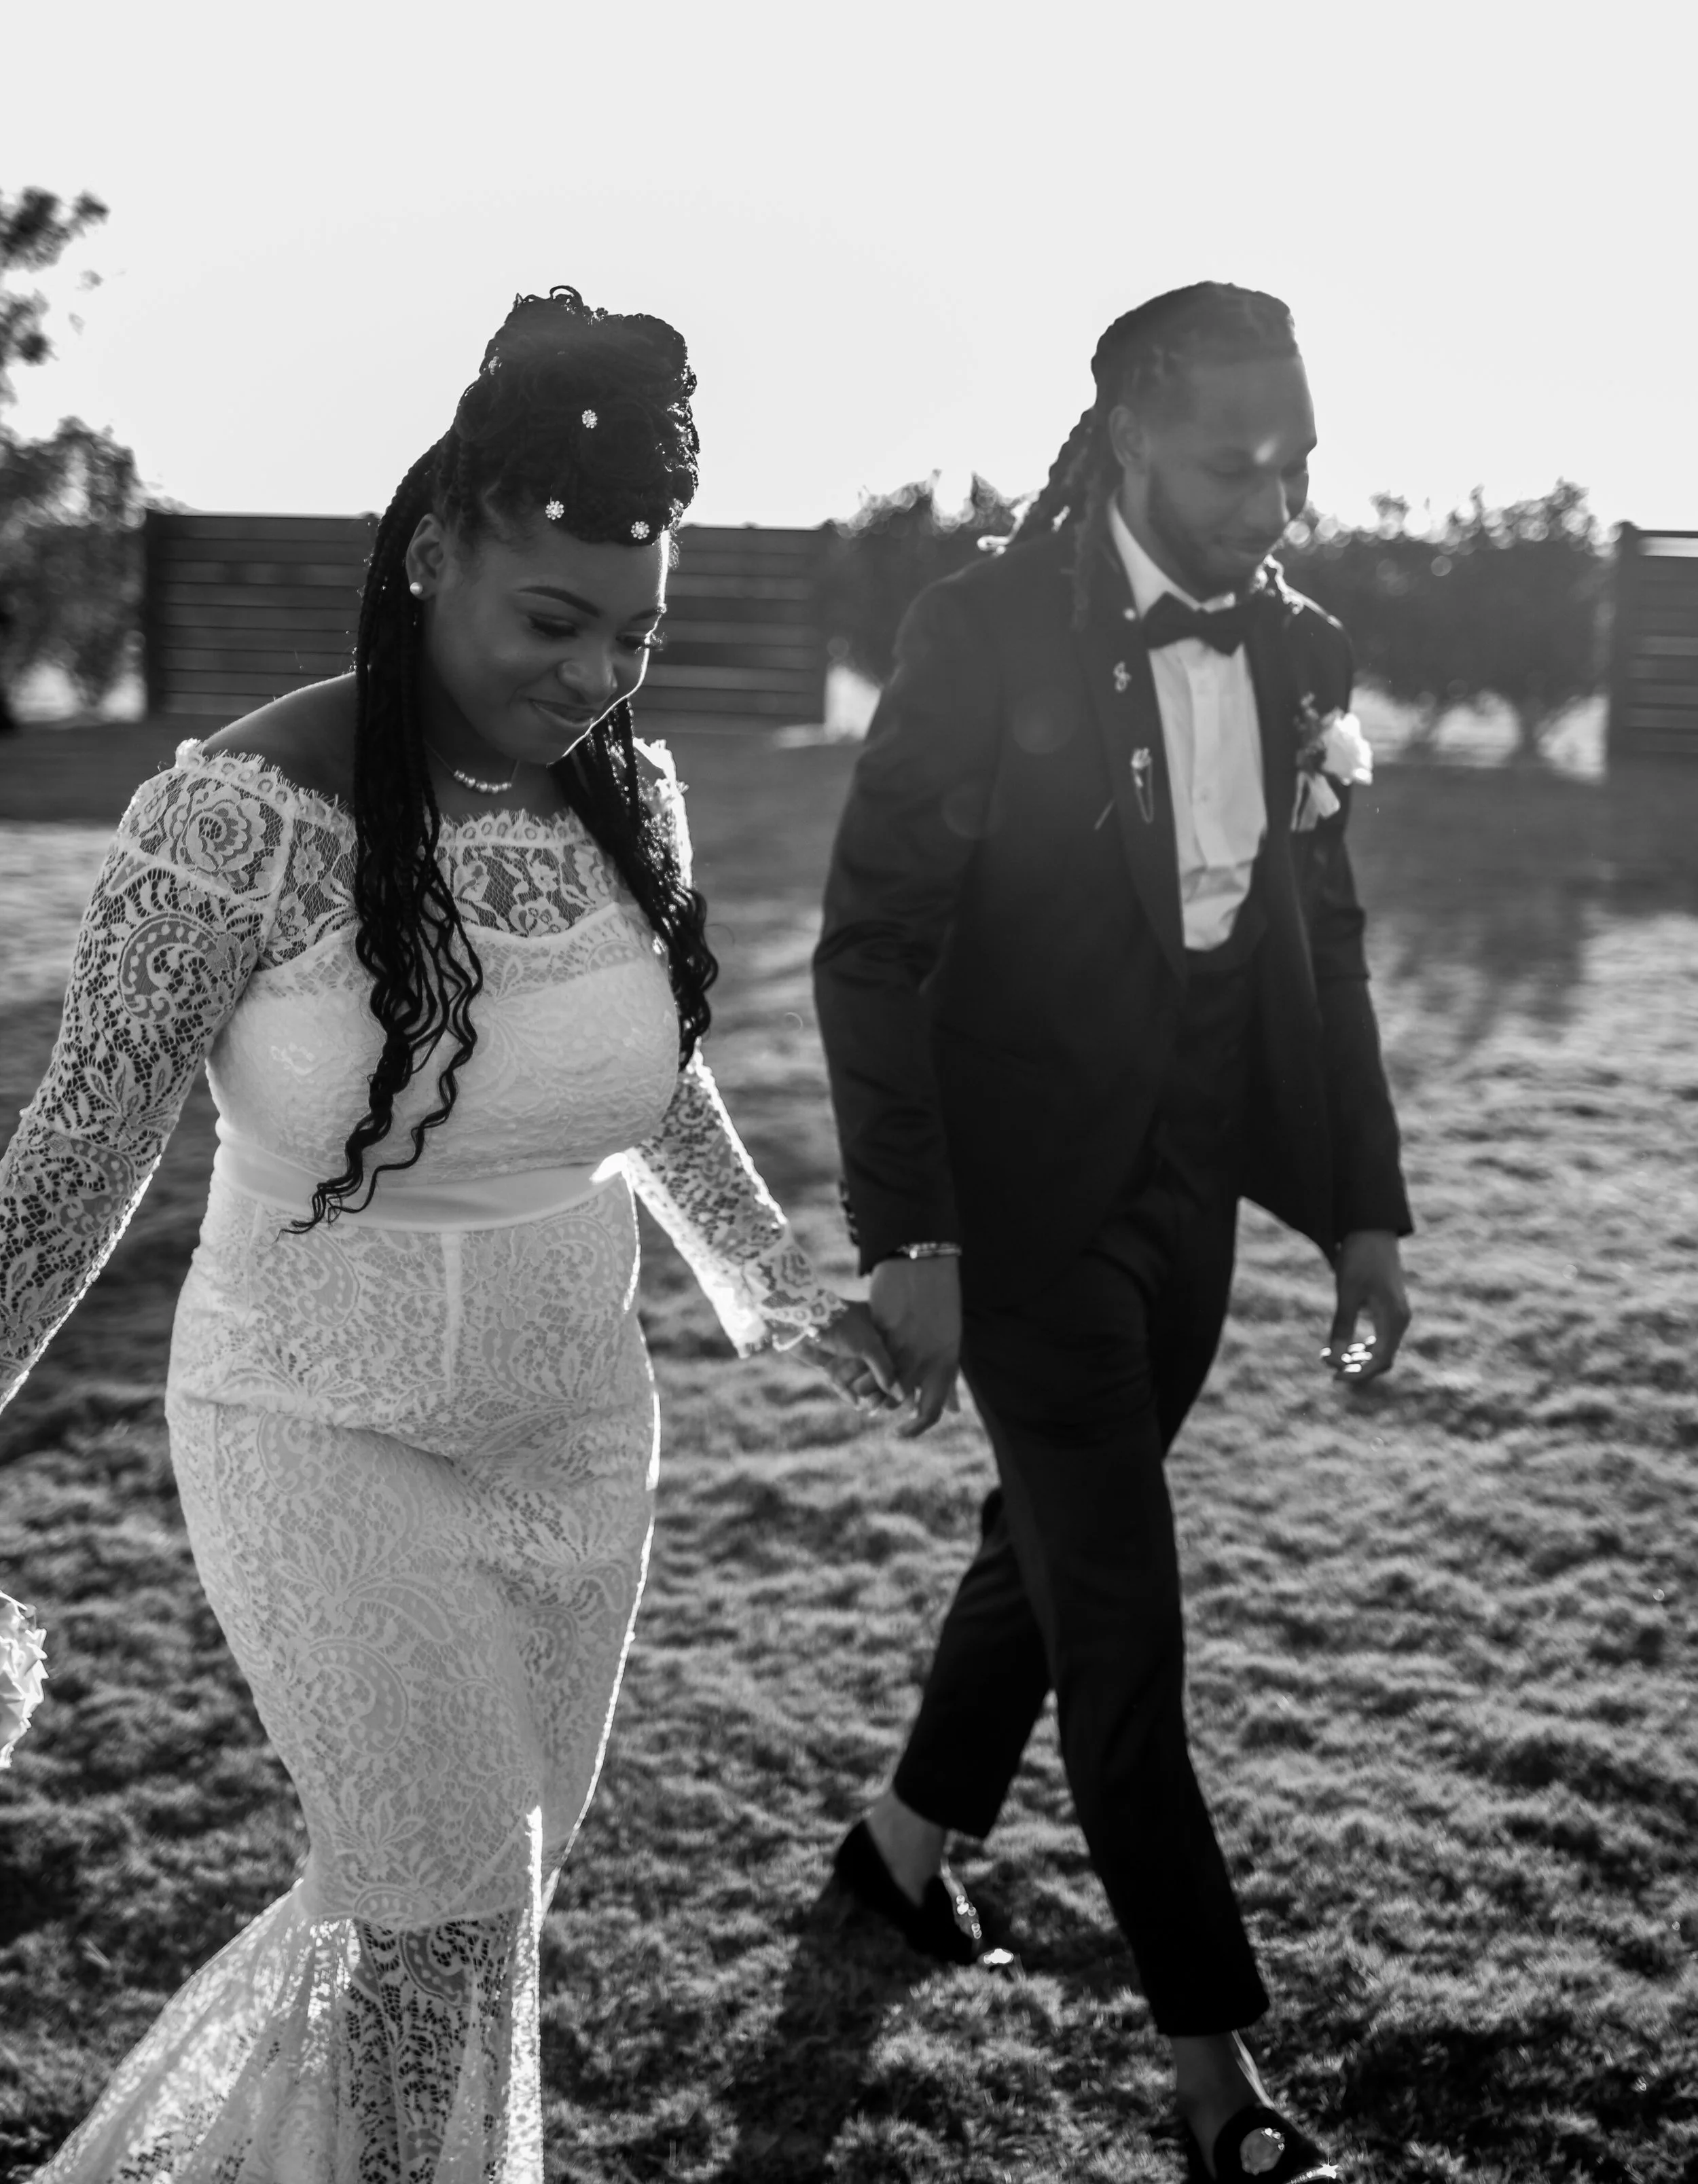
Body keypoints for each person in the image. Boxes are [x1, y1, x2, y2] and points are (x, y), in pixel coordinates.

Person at [3, 286, 897, 2181]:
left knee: (479, 1920)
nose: (594, 677)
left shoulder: (624, 791)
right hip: (312, 1422)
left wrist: (772, 1279)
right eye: (552, 621)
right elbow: (76, 1156)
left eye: (634, 635)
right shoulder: (239, 820)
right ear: (429, 556)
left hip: (578, 1430)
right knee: (436, 1901)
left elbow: (638, 1079)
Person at [813, 283, 1413, 2183]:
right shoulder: (980, 630)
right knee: (1126, 1627)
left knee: (1052, 1553)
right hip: (1016, 1214)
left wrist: (1364, 1215)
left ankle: (900, 1850)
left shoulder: (1300, 649)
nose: (1271, 494)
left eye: (1296, 459)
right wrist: (909, 1235)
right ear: (1129, 435)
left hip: (1190, 1202)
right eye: (1235, 459)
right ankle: (1217, 2084)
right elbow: (874, 942)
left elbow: (1318, 943)